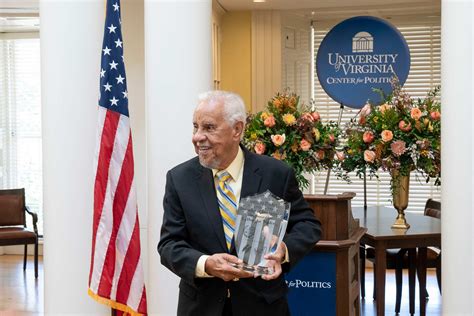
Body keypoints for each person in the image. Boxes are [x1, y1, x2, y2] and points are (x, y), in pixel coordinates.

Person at [158, 90, 321, 316]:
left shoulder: (275, 174)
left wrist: (283, 250)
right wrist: (205, 264)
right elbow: (169, 245)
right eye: (195, 127)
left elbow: (308, 225)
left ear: (237, 130)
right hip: (201, 307)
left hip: (262, 306)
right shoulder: (179, 179)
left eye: (209, 127)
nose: (197, 136)